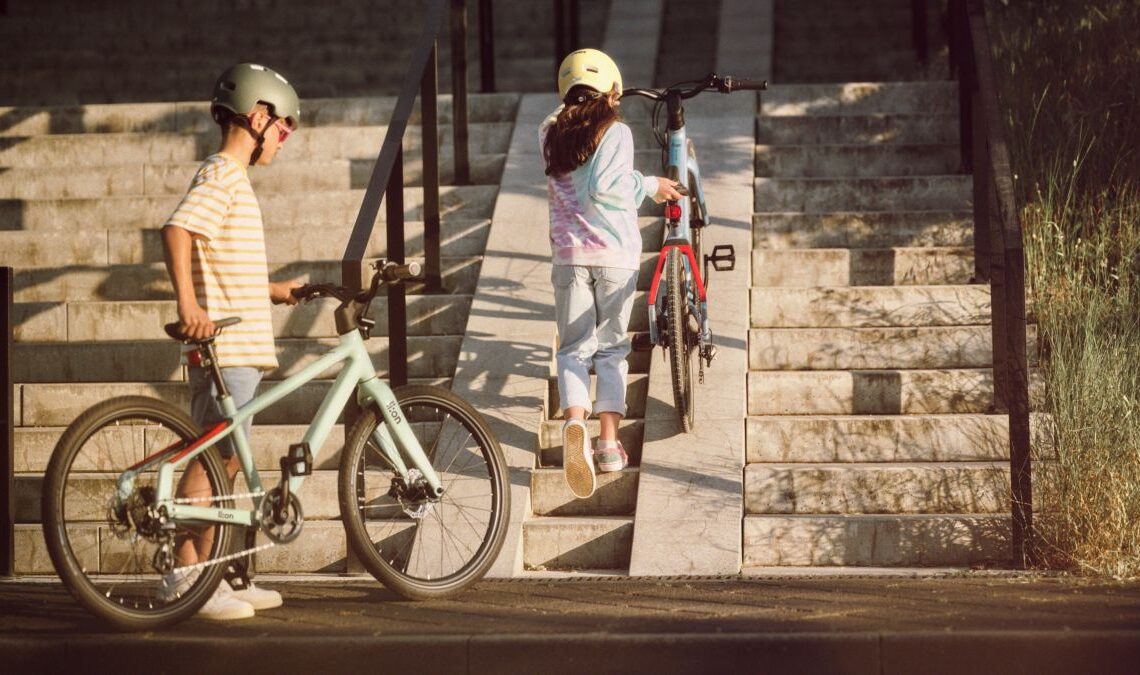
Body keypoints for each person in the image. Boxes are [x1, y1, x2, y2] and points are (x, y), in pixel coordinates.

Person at [160, 63, 303, 620]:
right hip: (223, 349)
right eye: (284, 129)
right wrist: (188, 306)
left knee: (229, 461)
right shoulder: (221, 173)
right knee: (214, 459)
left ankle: (217, 572)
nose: (283, 141)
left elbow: (220, 260)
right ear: (258, 115)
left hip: (241, 350)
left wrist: (273, 290)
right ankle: (185, 577)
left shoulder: (232, 181)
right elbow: (177, 230)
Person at [541, 49, 681, 499]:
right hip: (614, 256)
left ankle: (574, 422)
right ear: (613, 91)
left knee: (573, 350)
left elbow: (561, 122)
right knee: (613, 348)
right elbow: (608, 186)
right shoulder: (615, 131)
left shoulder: (548, 132)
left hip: (568, 258)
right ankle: (607, 444)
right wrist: (650, 185)